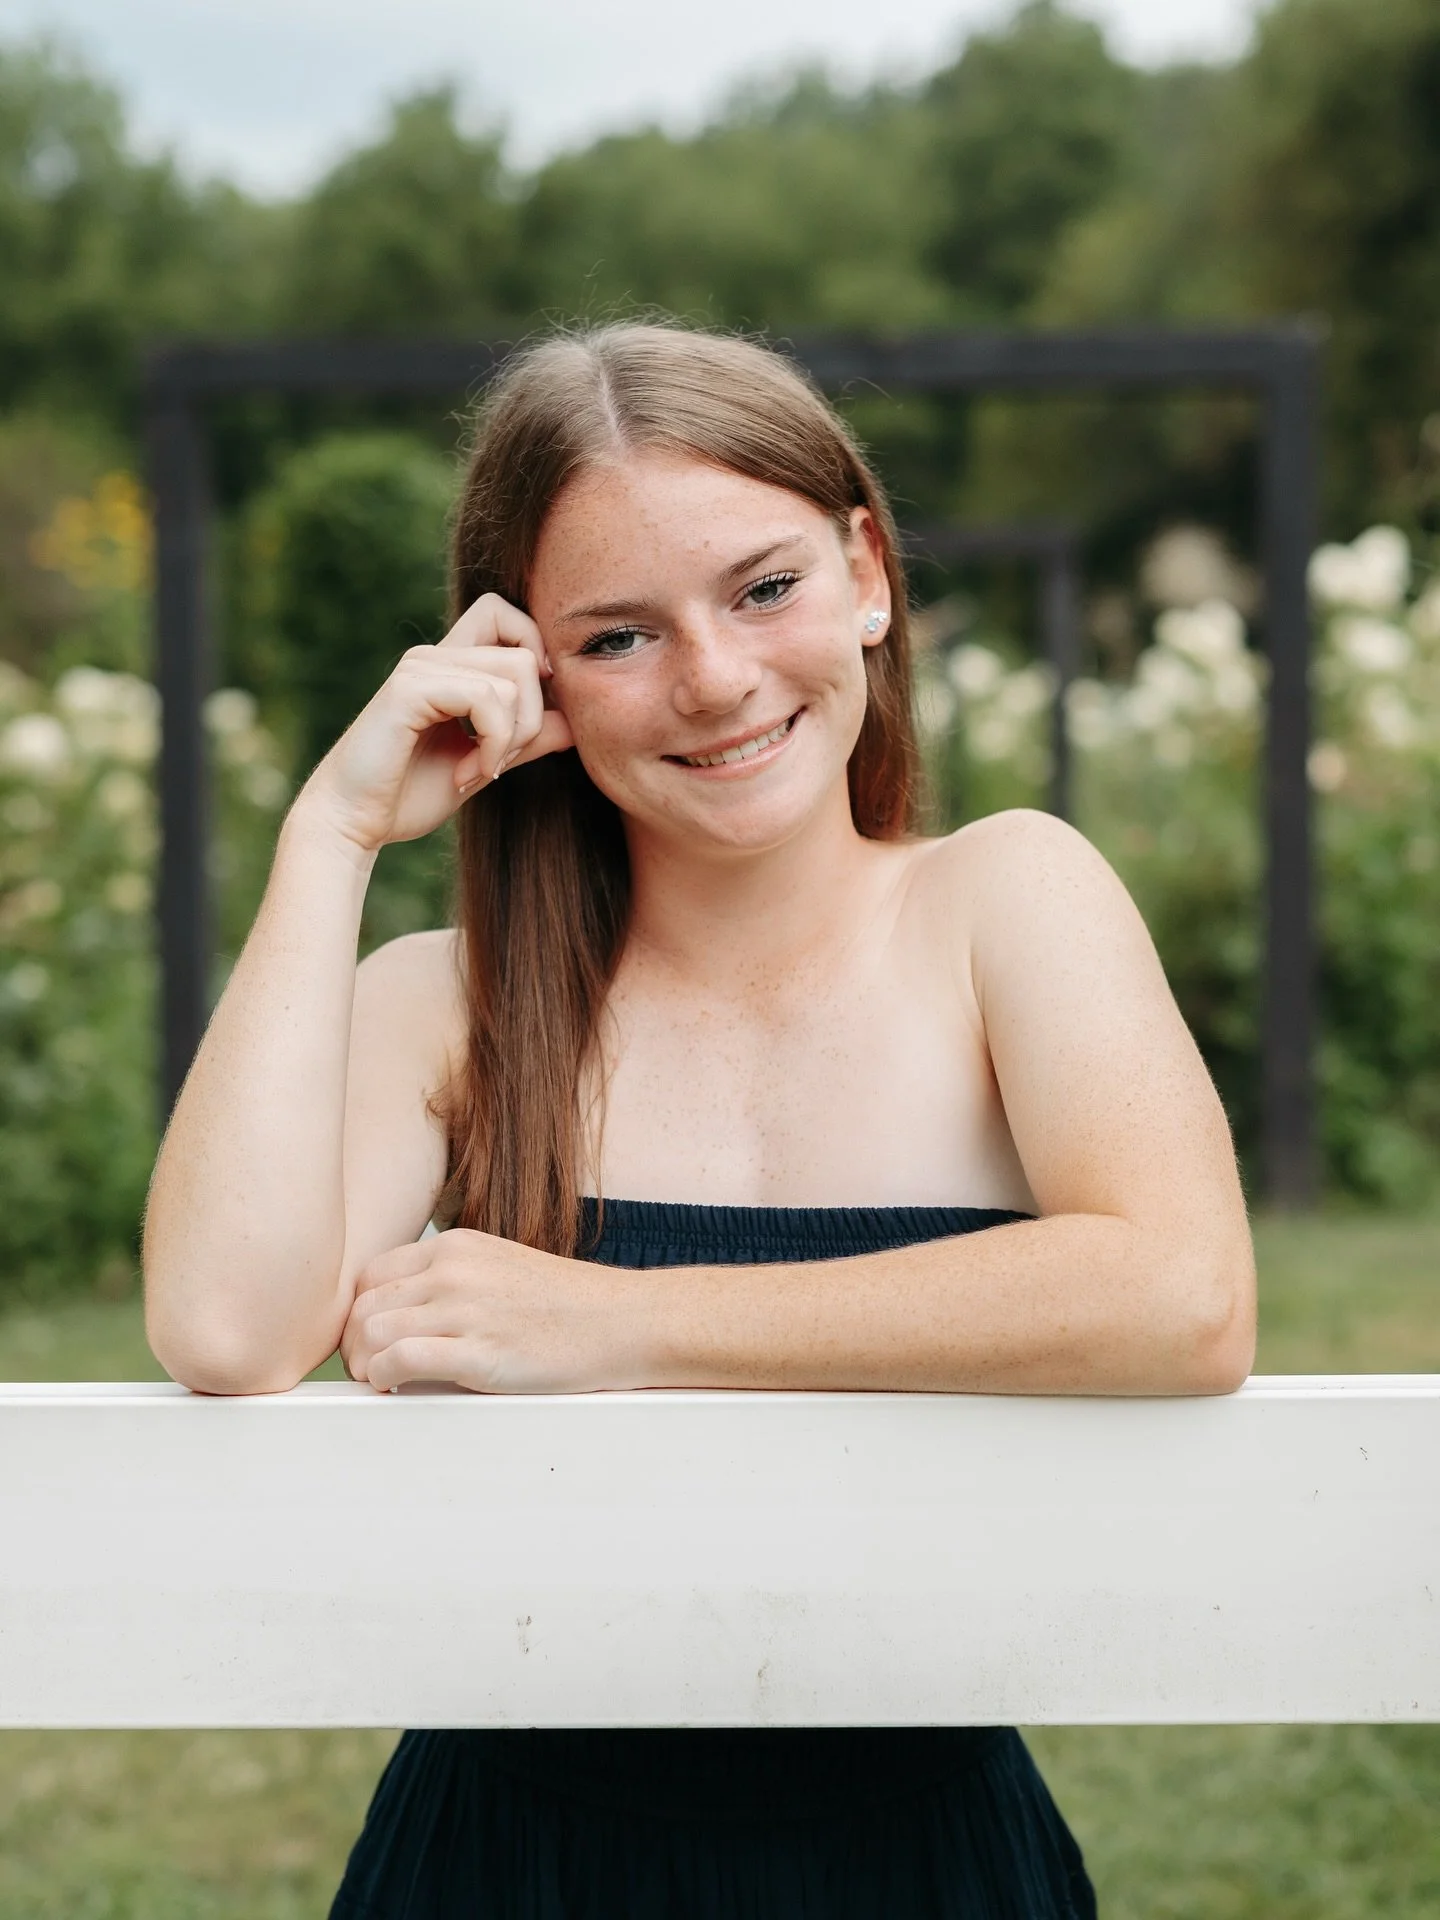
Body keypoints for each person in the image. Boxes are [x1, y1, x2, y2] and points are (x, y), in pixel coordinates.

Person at [142, 321, 1256, 1919]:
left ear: (867, 573)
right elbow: (223, 1327)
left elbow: (1184, 1296)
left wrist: (617, 1323)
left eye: (763, 588)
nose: (716, 679)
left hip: (921, 1864)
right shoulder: (445, 1002)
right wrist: (332, 835)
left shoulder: (1006, 901)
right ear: (529, 679)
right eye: (619, 636)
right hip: (506, 1866)